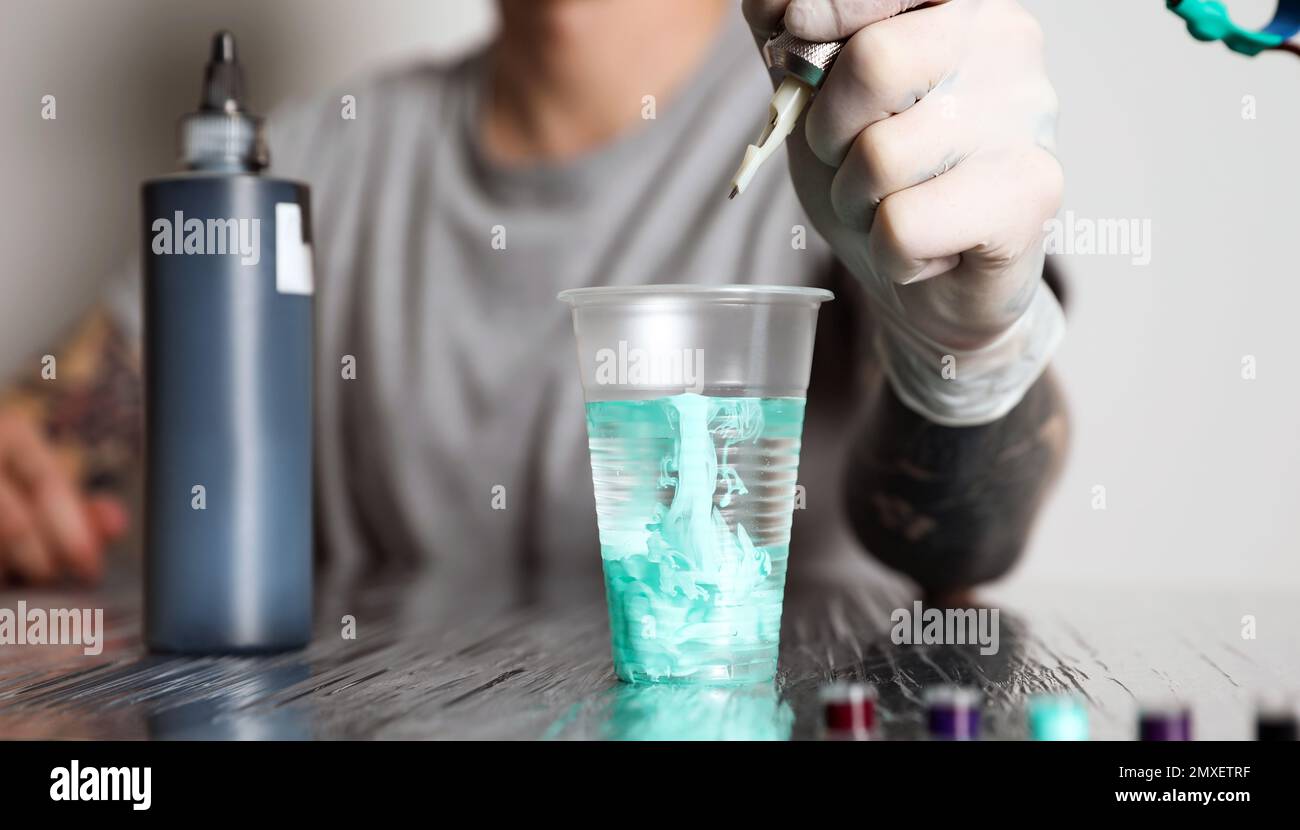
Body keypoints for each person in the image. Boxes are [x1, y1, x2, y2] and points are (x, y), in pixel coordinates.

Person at [0, 0, 1068, 600]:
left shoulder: (859, 130)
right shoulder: (319, 157)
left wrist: (969, 353)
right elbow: (51, 443)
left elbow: (962, 543)